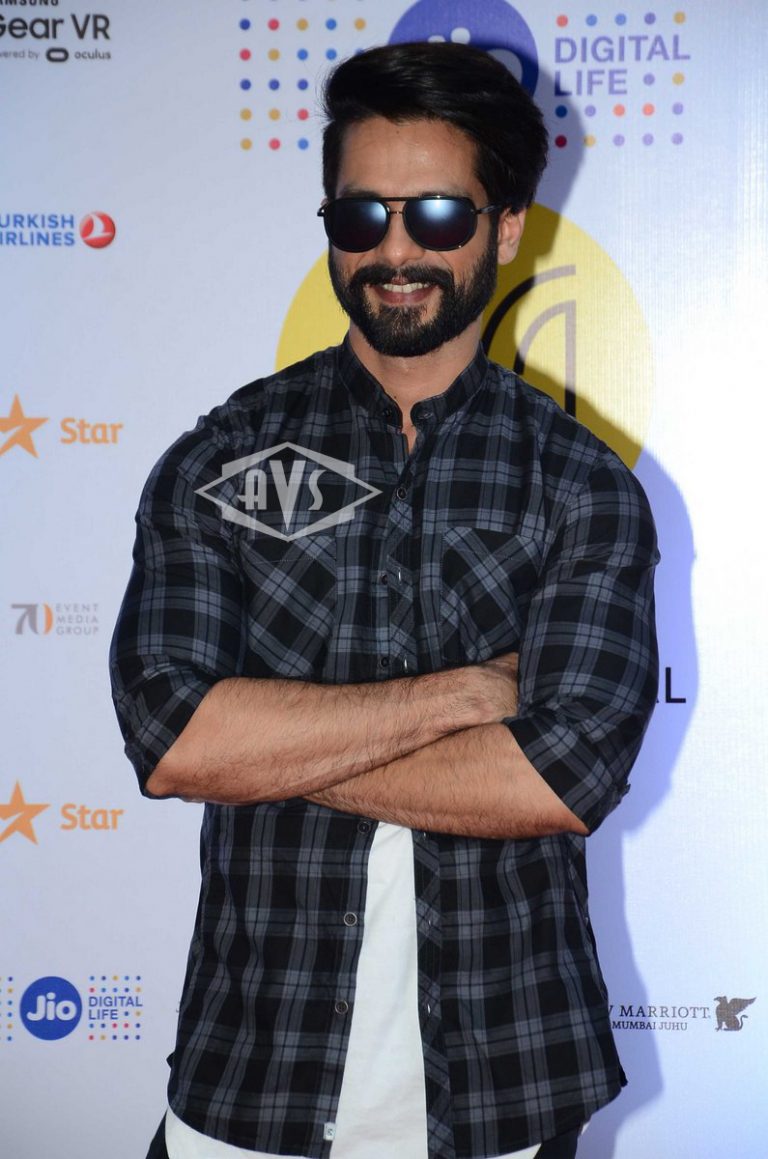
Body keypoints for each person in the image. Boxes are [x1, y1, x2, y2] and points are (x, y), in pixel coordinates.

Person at [110, 42, 658, 1159]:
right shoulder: (222, 456)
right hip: (250, 1078)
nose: (395, 250)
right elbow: (171, 736)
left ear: (507, 227)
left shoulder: (580, 483)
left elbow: (560, 777)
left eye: (439, 214)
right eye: (362, 215)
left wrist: (270, 743)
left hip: (505, 1086)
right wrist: (465, 696)